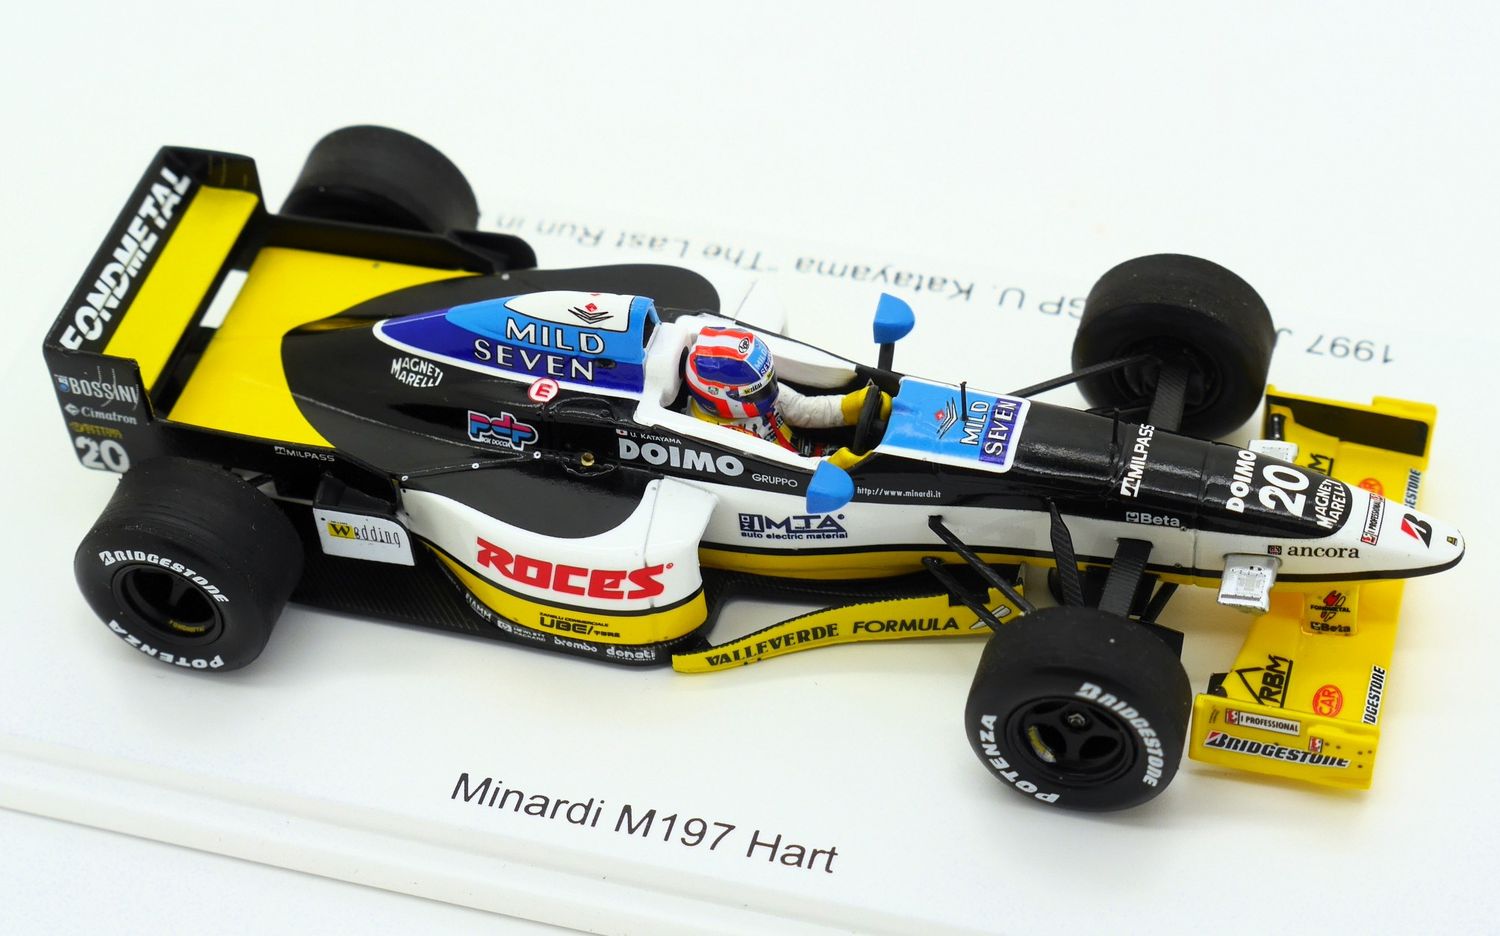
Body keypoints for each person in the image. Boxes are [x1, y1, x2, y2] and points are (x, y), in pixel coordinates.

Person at [683, 326, 888, 456]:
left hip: (809, 453)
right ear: (716, 396)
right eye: (757, 392)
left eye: (771, 380)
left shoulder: (762, 392)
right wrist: (839, 466)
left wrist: (850, 406)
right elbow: (779, 469)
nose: (771, 392)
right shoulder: (720, 441)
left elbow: (802, 409)